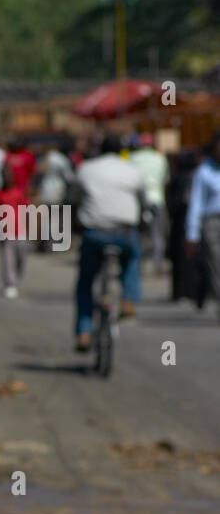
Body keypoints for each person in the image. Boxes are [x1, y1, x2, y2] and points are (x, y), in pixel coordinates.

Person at [72, 132, 146, 351]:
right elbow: (143, 202)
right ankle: (129, 301)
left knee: (85, 282)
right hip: (125, 232)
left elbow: (74, 198)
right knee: (132, 258)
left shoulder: (86, 169)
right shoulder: (133, 171)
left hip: (94, 233)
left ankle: (84, 333)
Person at [183, 132, 220, 321]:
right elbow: (196, 204)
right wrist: (192, 233)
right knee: (216, 263)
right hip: (212, 222)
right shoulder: (204, 171)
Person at [129, 132, 170, 273]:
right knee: (157, 233)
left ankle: (137, 261)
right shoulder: (160, 158)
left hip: (137, 201)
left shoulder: (133, 158)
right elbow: (165, 179)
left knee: (138, 234)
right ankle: (157, 262)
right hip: (157, 199)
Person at [0, 163, 28, 298]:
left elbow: (27, 209)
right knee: (8, 260)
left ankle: (16, 279)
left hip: (20, 230)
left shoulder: (18, 192)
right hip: (5, 232)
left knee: (20, 259)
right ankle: (10, 283)